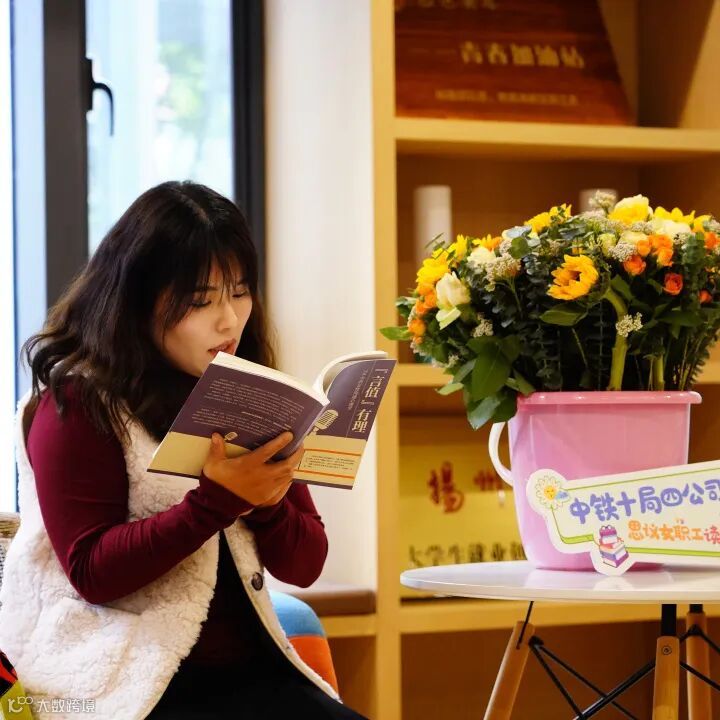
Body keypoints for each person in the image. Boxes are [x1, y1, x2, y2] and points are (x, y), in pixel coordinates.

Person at [0, 181, 368, 720]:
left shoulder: (246, 391)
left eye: (240, 292)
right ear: (137, 301)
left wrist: (266, 502)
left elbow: (305, 564)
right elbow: (92, 572)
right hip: (117, 683)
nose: (229, 320)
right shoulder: (77, 403)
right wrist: (216, 502)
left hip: (250, 677)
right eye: (200, 301)